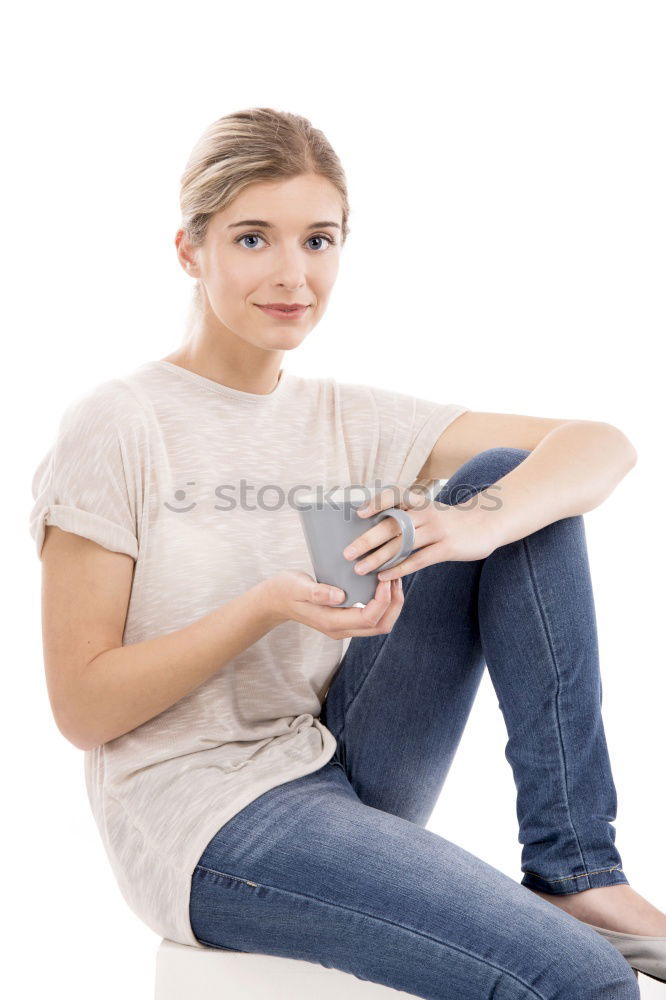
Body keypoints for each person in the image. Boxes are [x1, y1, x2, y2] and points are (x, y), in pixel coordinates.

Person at [28, 107, 659, 997]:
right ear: (189, 250)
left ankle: (576, 868)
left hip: (340, 758)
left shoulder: (346, 415)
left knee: (513, 479)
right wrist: (264, 607)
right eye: (254, 238)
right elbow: (83, 707)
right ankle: (573, 921)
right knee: (583, 983)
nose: (293, 274)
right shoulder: (121, 423)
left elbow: (600, 446)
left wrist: (472, 523)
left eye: (318, 240)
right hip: (207, 819)